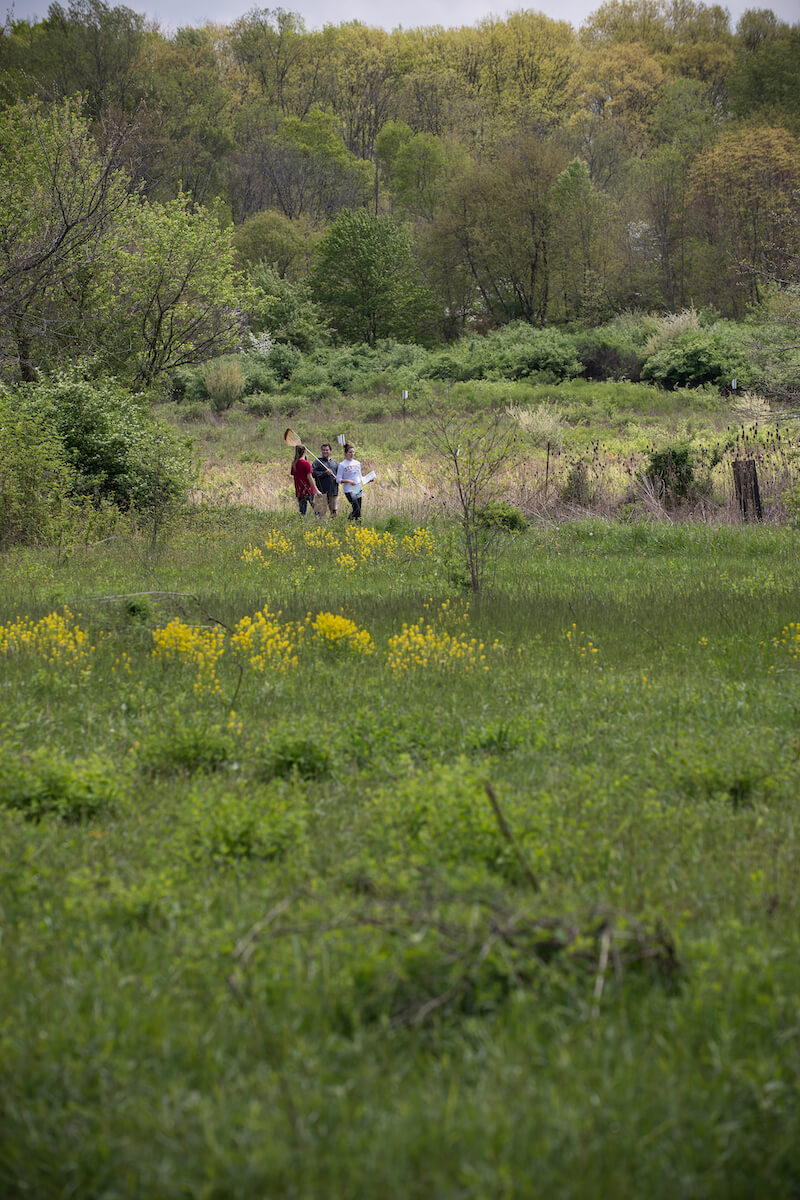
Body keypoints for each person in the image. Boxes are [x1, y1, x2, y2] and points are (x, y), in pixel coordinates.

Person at [336, 443, 364, 521]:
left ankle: (357, 526)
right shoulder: (342, 465)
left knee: (359, 509)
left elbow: (360, 476)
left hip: (357, 488)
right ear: (346, 453)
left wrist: (368, 479)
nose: (352, 454)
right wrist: (348, 481)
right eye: (350, 452)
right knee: (356, 508)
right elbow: (338, 479)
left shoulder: (357, 463)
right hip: (349, 489)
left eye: (353, 452)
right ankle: (348, 521)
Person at [289, 444, 319, 515]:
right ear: (304, 452)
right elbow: (310, 478)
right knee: (318, 511)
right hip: (309, 490)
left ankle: (302, 524)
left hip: (300, 491)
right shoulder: (306, 463)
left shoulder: (294, 463)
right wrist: (317, 490)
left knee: (302, 512)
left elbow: (294, 475)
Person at [312, 442, 339, 518]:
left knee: (334, 512)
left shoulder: (335, 463)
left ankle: (334, 527)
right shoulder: (317, 462)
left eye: (327, 450)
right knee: (319, 513)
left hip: (333, 491)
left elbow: (341, 475)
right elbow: (313, 474)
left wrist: (338, 478)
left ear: (330, 451)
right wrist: (325, 473)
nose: (325, 452)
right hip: (321, 492)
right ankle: (320, 528)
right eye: (323, 450)